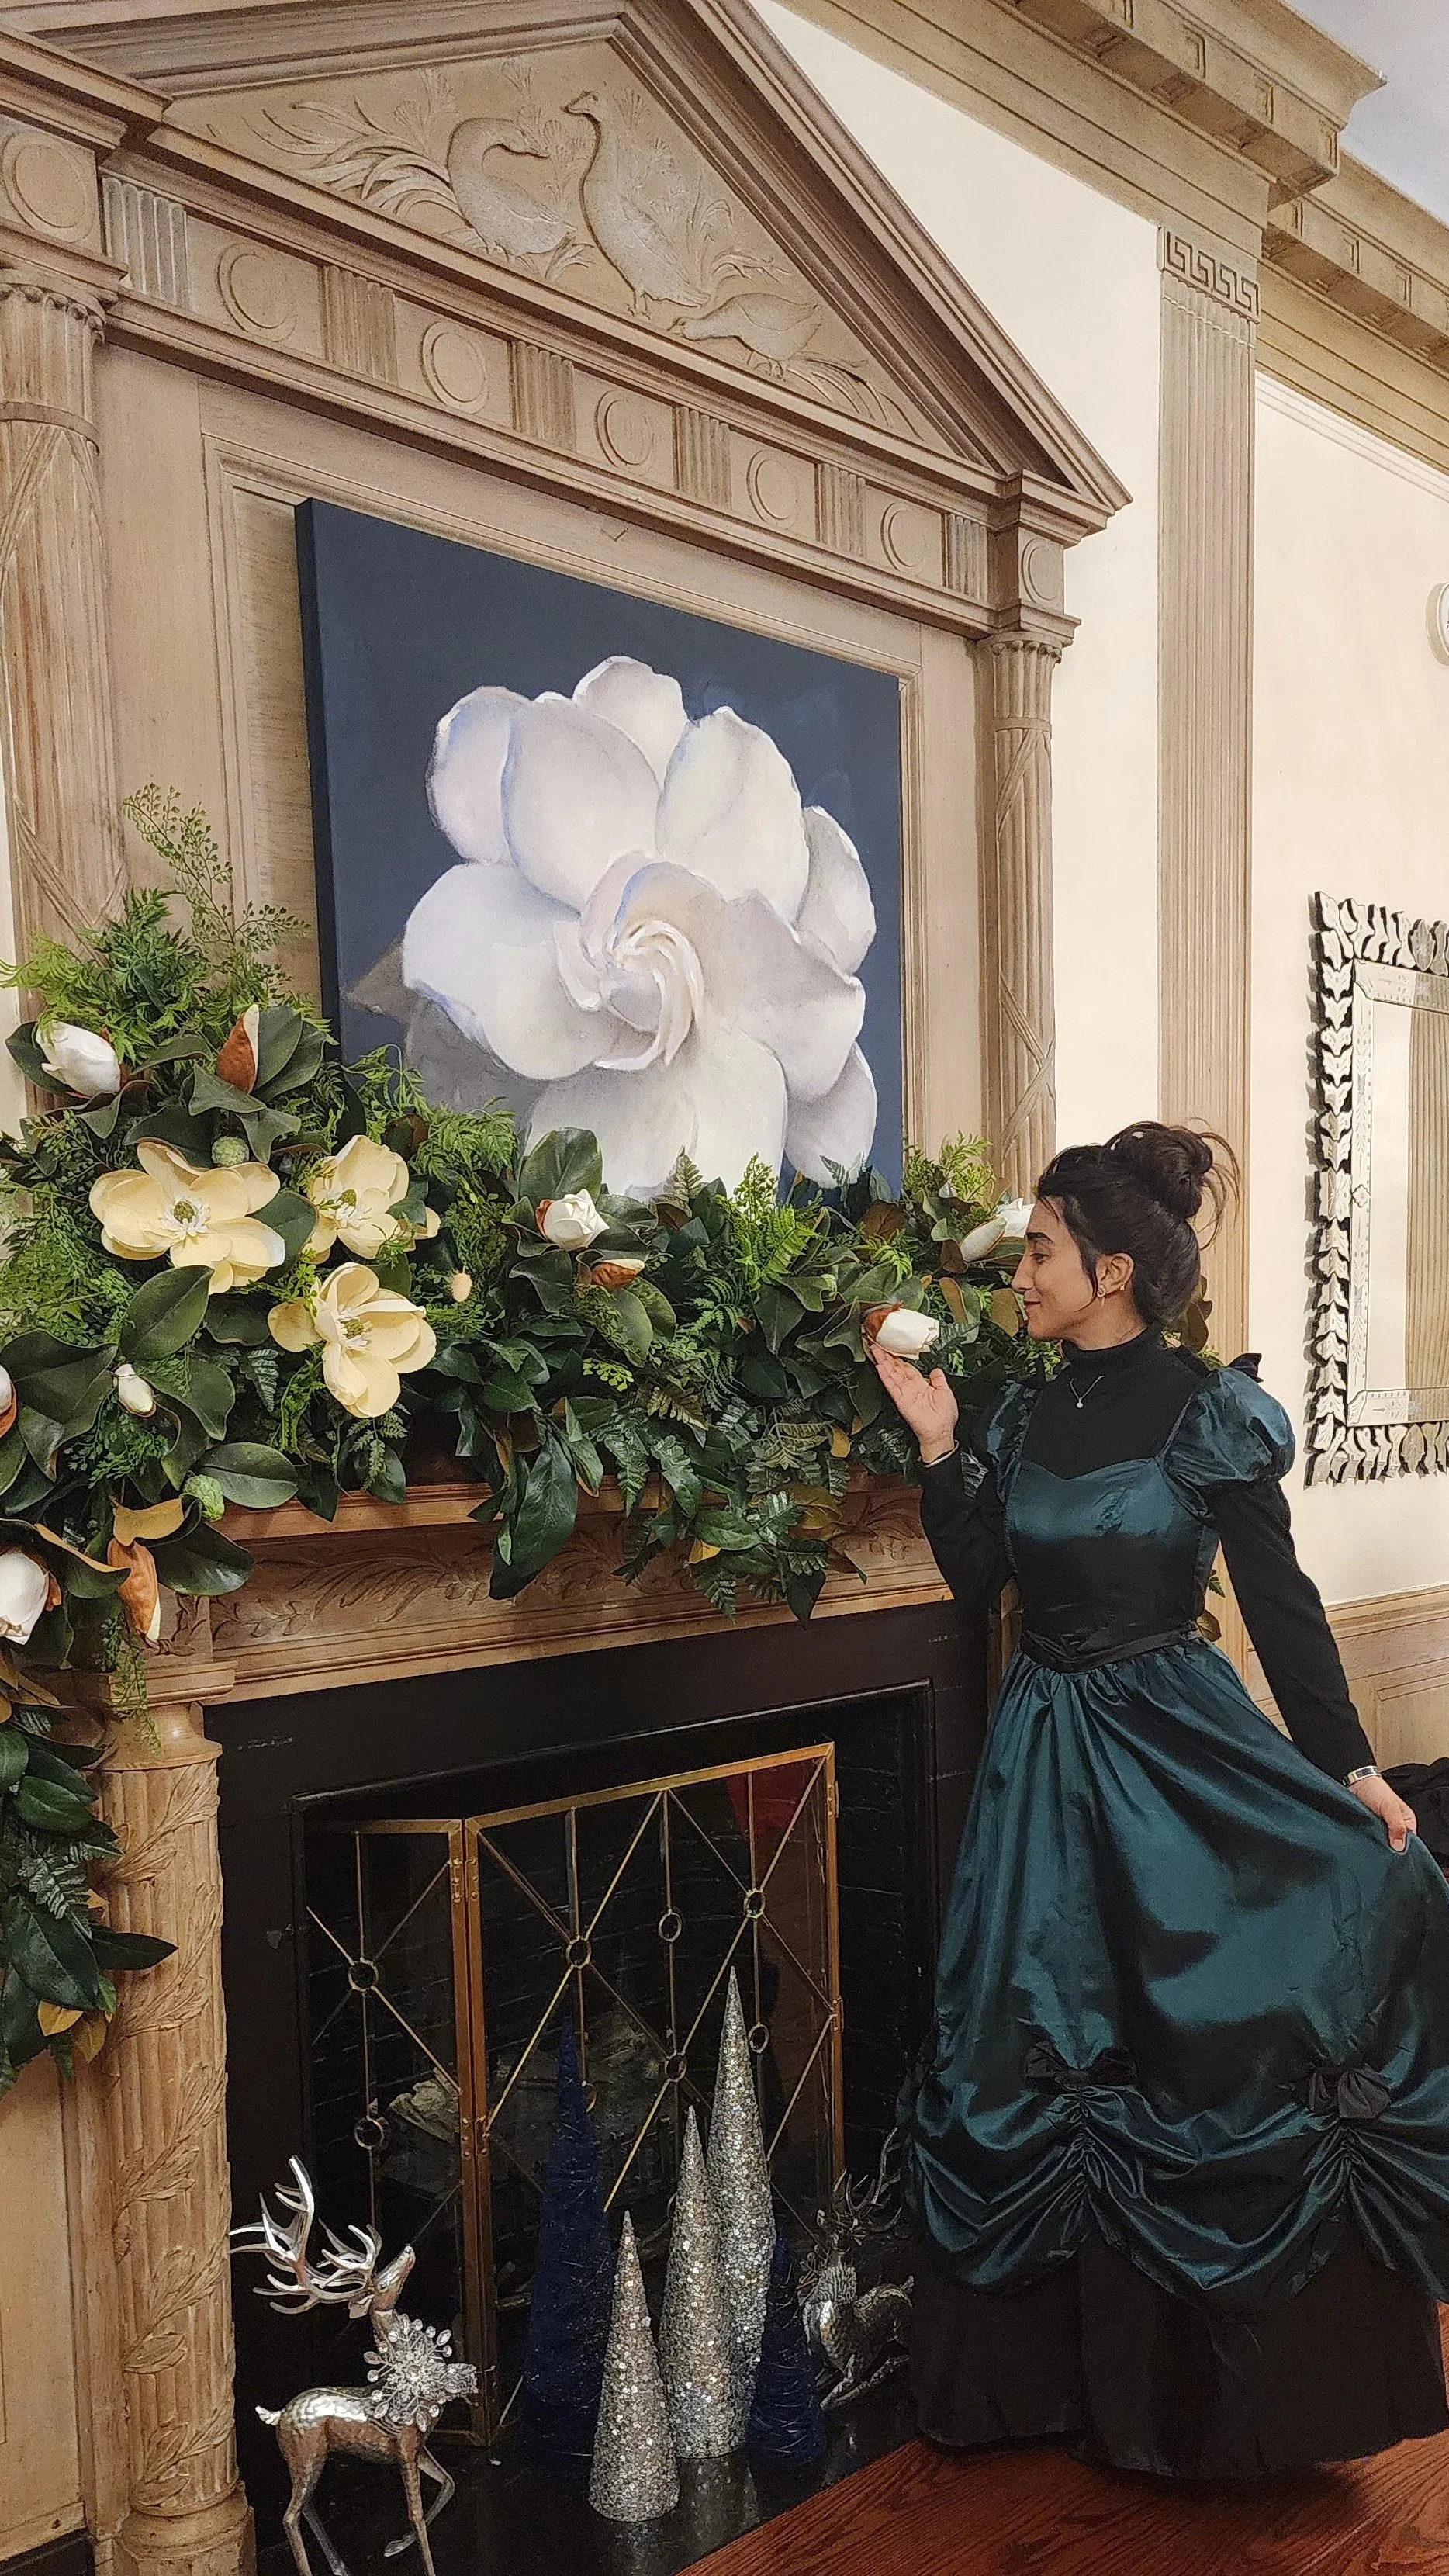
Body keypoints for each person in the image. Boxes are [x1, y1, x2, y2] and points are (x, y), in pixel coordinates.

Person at [873, 1123, 1449, 2478]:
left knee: (1202, 2026)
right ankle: (1045, 2392)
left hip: (1172, 1744)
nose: (1018, 1273)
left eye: (1039, 1251)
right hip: (1041, 1758)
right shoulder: (1017, 1407)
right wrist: (944, 1443)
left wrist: (1350, 1764)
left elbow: (1282, 1605)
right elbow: (978, 1581)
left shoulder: (1209, 1413)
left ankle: (1212, 2408)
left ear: (1112, 1269)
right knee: (1032, 2039)